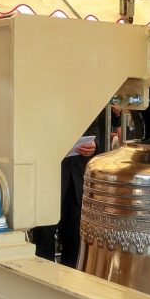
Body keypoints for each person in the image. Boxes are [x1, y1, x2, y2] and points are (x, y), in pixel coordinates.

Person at [32, 107, 119, 268]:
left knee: (76, 236)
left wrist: (94, 143)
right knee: (44, 236)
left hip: (77, 176)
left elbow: (92, 123)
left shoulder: (81, 96)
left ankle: (71, 280)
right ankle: (44, 279)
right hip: (48, 177)